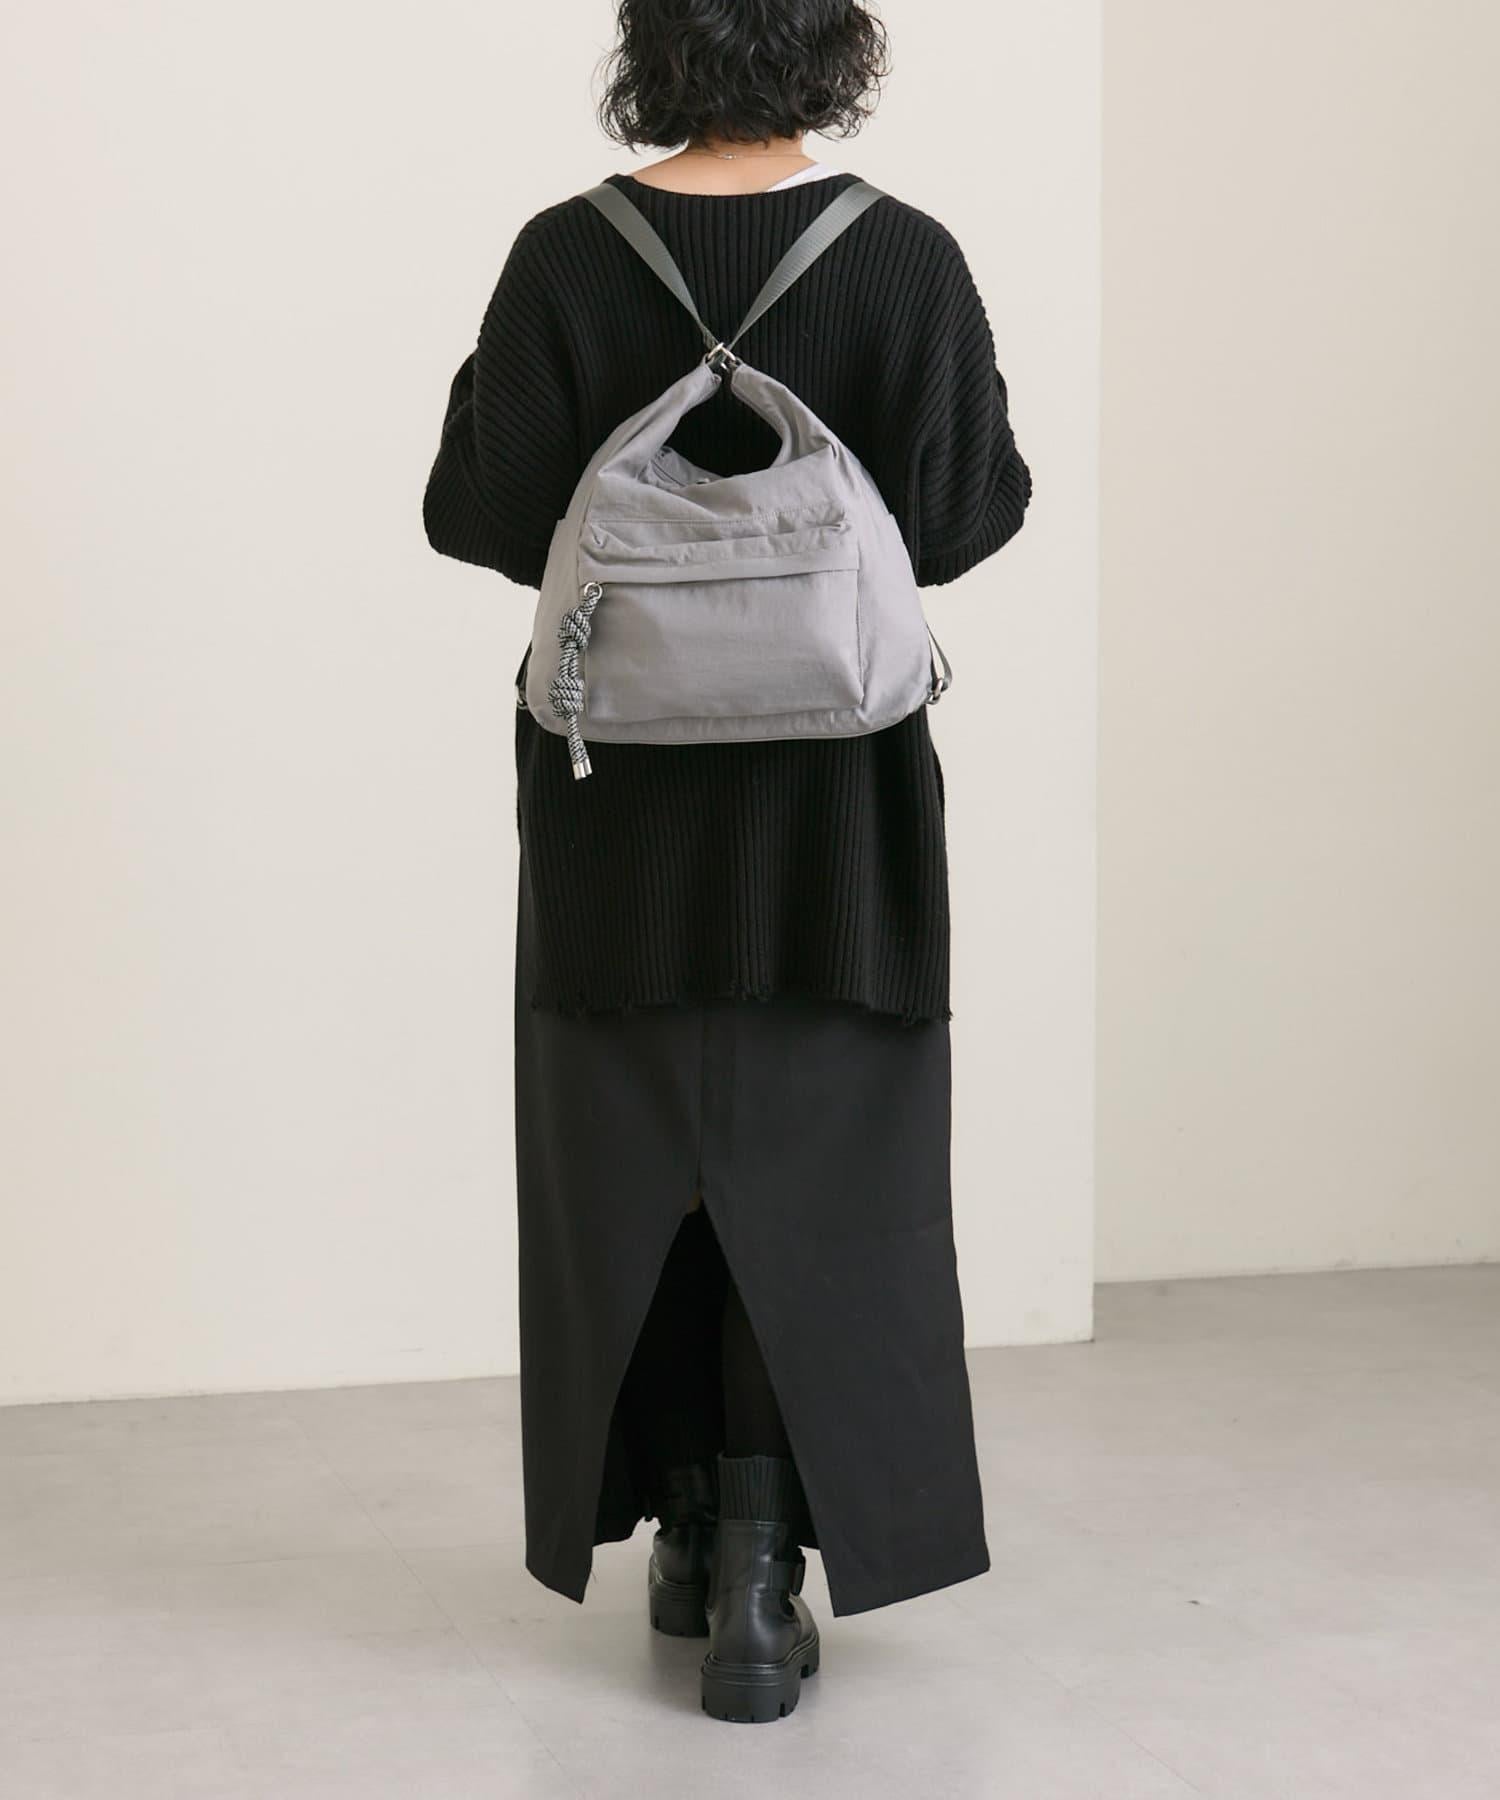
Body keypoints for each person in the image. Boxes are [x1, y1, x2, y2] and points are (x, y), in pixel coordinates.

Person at [423, 0, 1031, 1725]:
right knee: (828, 1171)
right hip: (837, 806)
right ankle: (767, 1577)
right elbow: (970, 515)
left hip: (615, 794)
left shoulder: (566, 254)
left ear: (654, 49)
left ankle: (686, 1530)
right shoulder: (903, 258)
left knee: (632, 1160)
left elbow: (478, 511)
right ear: (832, 48)